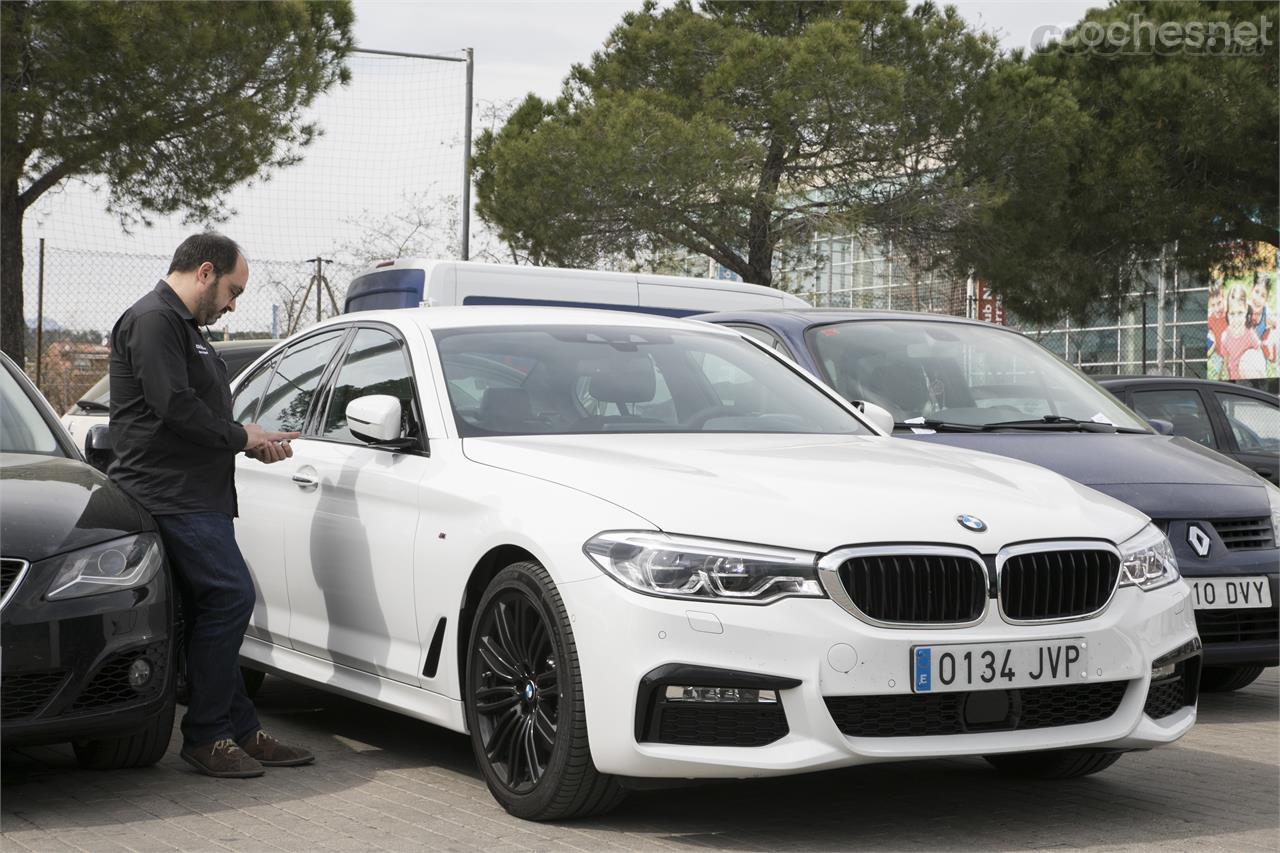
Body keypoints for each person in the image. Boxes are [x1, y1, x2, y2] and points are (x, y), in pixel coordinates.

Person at [108, 232, 313, 778]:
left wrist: (251, 442)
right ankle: (206, 736)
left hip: (197, 495)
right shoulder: (154, 320)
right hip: (169, 495)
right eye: (231, 290)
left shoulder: (185, 328)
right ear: (204, 271)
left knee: (211, 609)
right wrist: (241, 436)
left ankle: (239, 730)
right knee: (230, 596)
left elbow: (196, 418)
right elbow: (173, 407)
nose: (232, 305)